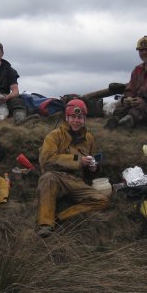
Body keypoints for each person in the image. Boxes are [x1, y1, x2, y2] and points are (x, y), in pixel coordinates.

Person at [36, 99, 109, 237]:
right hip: (56, 178)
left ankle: (60, 218)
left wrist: (93, 168)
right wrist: (78, 160)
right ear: (67, 118)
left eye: (80, 117)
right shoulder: (54, 136)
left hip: (77, 182)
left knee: (102, 200)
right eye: (73, 117)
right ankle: (45, 224)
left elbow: (91, 163)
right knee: (47, 178)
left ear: (84, 119)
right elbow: (46, 161)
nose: (76, 121)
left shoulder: (89, 138)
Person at [106, 35, 147, 129]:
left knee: (140, 111)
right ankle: (119, 121)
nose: (144, 52)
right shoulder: (137, 70)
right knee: (119, 110)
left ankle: (127, 122)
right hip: (138, 104)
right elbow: (130, 89)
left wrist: (144, 99)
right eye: (141, 50)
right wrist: (128, 99)